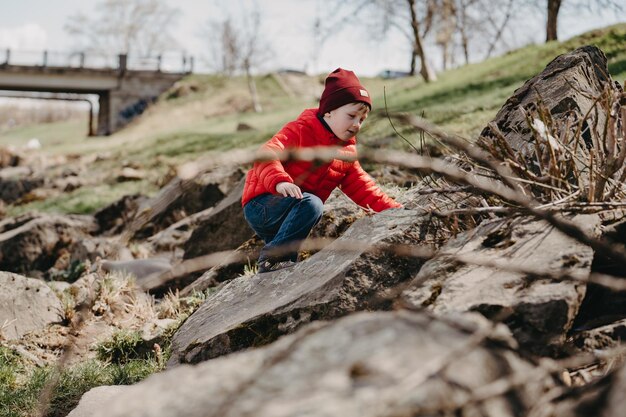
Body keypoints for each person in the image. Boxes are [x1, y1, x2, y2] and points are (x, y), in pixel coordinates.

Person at [241, 67, 402, 273]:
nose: (357, 124)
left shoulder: (346, 153)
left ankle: (279, 265)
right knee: (313, 204)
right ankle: (273, 258)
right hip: (264, 203)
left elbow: (363, 187)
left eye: (362, 119)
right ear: (329, 111)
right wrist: (280, 181)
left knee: (306, 214)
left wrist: (396, 211)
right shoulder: (300, 130)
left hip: (295, 210)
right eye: (351, 116)